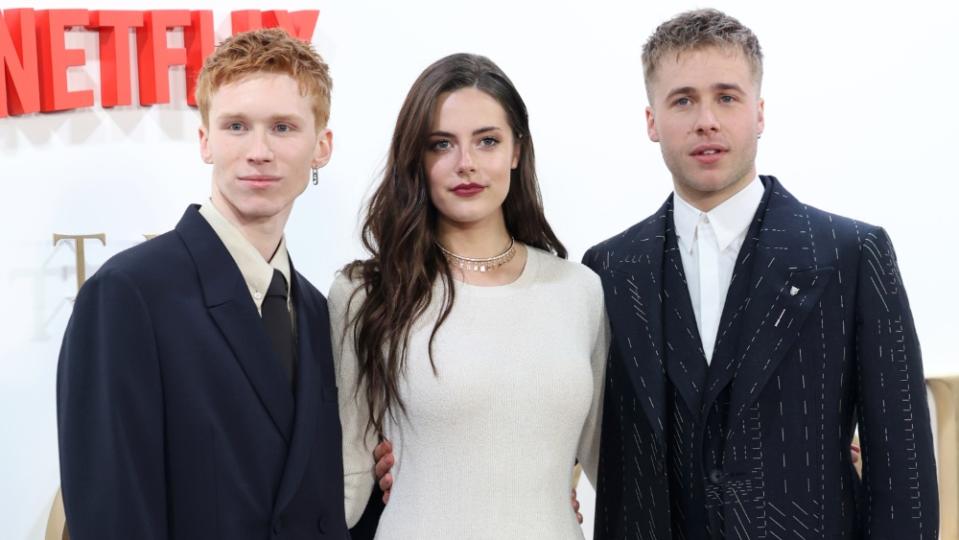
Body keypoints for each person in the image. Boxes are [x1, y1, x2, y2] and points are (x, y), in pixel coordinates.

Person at [582, 9, 939, 539]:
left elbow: (903, 471)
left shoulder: (852, 255)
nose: (707, 120)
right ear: (652, 121)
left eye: (726, 97)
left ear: (760, 112)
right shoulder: (608, 269)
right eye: (683, 100)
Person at [56, 29, 351, 539]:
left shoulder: (318, 308)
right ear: (205, 141)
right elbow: (112, 516)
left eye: (283, 127)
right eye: (237, 126)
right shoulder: (128, 294)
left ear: (321, 146)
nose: (259, 151)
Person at [329, 53, 608, 539]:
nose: (467, 164)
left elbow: (610, 463)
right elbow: (346, 478)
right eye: (442, 145)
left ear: (516, 151)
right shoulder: (368, 294)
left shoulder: (578, 290)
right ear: (416, 157)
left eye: (487, 141)